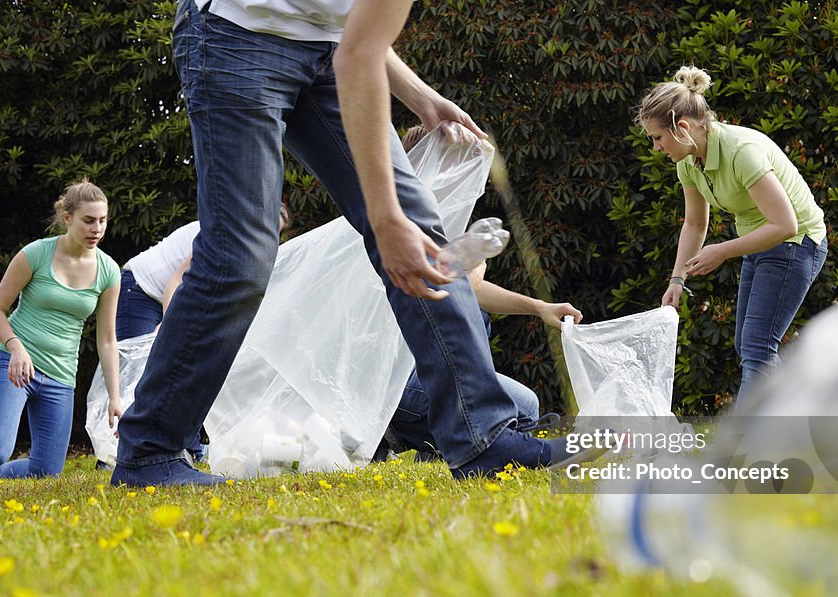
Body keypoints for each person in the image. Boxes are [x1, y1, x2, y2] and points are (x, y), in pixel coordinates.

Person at [110, 0, 600, 487]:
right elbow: (359, 54)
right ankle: (149, 451)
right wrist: (385, 220)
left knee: (423, 232)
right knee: (240, 259)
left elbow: (355, 25)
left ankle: (483, 440)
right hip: (235, 36)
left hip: (326, 47)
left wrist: (421, 97)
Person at [376, 125, 583, 461]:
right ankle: (396, 433)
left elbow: (473, 290)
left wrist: (539, 307)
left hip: (418, 371)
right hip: (391, 381)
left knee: (526, 405)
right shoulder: (395, 225)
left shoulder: (442, 220)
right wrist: (473, 264)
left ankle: (431, 442)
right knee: (514, 408)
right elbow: (451, 290)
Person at [638, 66, 828, 404]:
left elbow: (786, 225)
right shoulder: (688, 160)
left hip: (797, 242)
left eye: (657, 137)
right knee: (749, 344)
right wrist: (677, 280)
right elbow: (695, 224)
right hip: (760, 242)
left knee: (757, 346)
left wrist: (722, 251)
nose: (655, 147)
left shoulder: (742, 151)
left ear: (682, 128)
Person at [0, 180, 122, 479]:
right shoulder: (35, 254)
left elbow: (107, 340)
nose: (97, 229)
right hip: (14, 365)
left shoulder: (109, 271)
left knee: (46, 471)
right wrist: (15, 347)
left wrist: (115, 397)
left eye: (102, 220)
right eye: (88, 220)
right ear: (68, 218)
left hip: (61, 376)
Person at [111, 204, 291, 464]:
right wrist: (170, 323)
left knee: (188, 369)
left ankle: (189, 450)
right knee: (139, 373)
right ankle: (122, 451)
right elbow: (177, 280)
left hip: (170, 294)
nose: (270, 234)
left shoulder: (249, 246)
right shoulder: (220, 229)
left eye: (277, 232)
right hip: (140, 288)